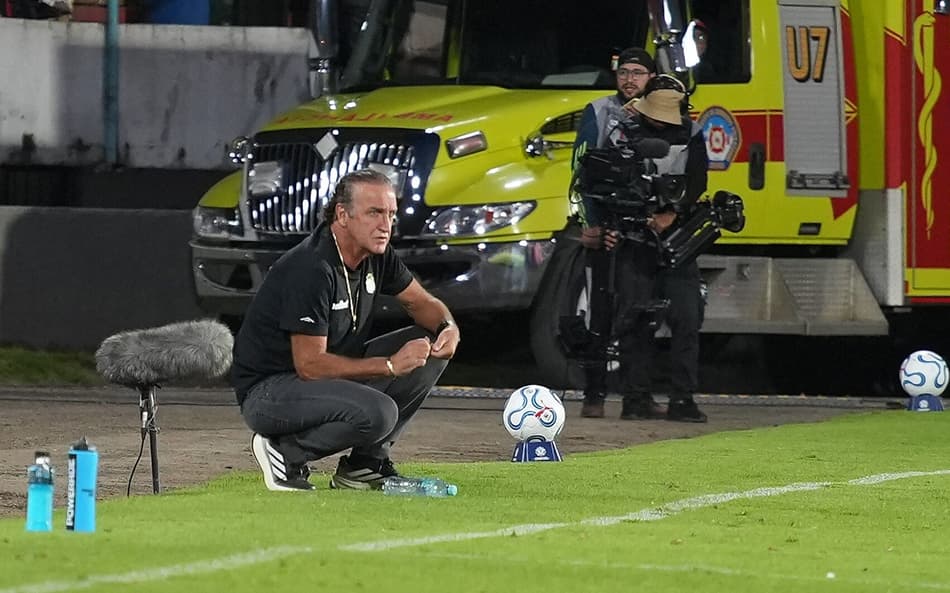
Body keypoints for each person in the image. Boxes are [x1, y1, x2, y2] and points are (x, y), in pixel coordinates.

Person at [231, 168, 461, 491]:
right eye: (375, 213)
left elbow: (420, 303)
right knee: (379, 413)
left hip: (323, 376)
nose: (386, 225)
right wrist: (391, 365)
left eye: (391, 214)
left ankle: (364, 466)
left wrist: (448, 327)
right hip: (270, 391)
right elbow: (309, 365)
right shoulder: (313, 268)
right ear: (342, 214)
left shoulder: (377, 253)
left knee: (428, 345)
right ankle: (284, 452)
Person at [572, 64, 709, 423]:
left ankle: (683, 399)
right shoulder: (625, 131)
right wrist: (605, 223)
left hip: (678, 238)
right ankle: (635, 400)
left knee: (686, 318)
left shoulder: (693, 133)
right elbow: (598, 180)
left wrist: (672, 214)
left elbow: (697, 182)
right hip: (632, 238)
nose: (661, 125)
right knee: (633, 320)